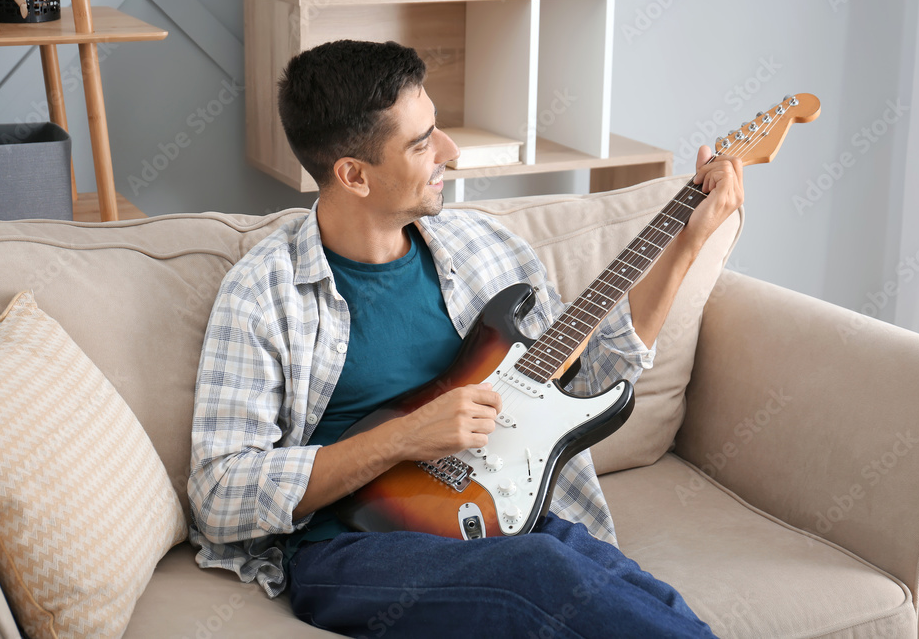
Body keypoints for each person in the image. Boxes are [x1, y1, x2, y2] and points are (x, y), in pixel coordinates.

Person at [188, 39, 743, 637]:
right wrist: (403, 438)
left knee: (646, 596)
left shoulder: (485, 248)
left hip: (505, 514)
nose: (449, 151)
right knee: (541, 572)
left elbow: (583, 379)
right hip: (349, 546)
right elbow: (219, 492)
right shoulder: (263, 294)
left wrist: (687, 244)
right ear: (353, 174)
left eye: (437, 129)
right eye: (422, 142)